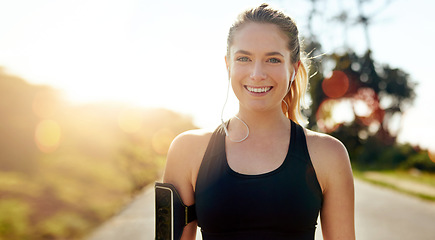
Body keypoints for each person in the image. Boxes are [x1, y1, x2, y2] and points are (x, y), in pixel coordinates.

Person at [163, 3, 355, 240]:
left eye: (273, 60)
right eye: (244, 58)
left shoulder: (329, 154)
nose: (257, 74)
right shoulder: (186, 151)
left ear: (294, 69)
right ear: (228, 65)